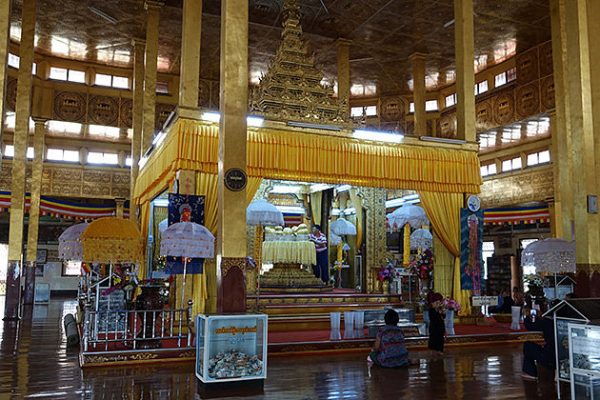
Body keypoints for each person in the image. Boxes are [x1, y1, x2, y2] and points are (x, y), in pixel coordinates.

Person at [521, 305, 556, 381]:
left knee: (528, 346)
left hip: (550, 358)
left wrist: (527, 316)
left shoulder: (548, 321)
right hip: (565, 356)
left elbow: (531, 327)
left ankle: (530, 373)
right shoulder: (570, 320)